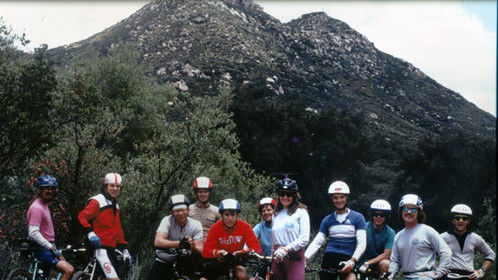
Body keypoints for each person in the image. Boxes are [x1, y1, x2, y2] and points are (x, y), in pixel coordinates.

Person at [305, 180, 366, 280]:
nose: (339, 200)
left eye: (342, 197)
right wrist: (305, 258)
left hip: (349, 256)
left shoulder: (357, 217)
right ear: (332, 199)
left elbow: (362, 243)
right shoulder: (327, 219)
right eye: (335, 198)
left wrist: (353, 260)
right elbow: (317, 242)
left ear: (346, 197)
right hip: (330, 257)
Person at [78, 173, 132, 280]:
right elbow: (82, 216)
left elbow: (117, 228)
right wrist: (90, 232)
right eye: (112, 185)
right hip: (98, 248)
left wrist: (124, 248)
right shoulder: (97, 201)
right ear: (105, 186)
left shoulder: (115, 205)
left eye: (118, 186)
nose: (115, 189)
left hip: (111, 249)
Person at [388, 194, 452, 280]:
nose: (409, 212)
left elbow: (446, 252)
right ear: (401, 211)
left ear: (419, 212)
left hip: (425, 277)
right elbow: (395, 261)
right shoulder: (398, 236)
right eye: (406, 208)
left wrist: (439, 273)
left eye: (413, 209)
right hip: (406, 277)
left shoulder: (427, 231)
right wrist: (390, 275)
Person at [27, 175, 74, 280]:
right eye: (46, 188)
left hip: (47, 247)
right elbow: (33, 232)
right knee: (69, 270)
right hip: (42, 249)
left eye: (52, 189)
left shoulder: (44, 205)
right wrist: (50, 247)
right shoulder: (37, 208)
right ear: (40, 190)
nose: (50, 191)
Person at [202, 198, 262, 280]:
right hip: (219, 262)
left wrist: (244, 252)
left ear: (237, 215)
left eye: (233, 215)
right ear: (221, 215)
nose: (230, 218)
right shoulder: (215, 228)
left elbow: (258, 249)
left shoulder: (244, 226)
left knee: (242, 274)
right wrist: (217, 252)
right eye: (226, 215)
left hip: (236, 261)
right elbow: (205, 251)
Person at [148, 194, 203, 280]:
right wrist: (180, 243)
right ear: (172, 212)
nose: (180, 213)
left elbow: (199, 248)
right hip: (164, 260)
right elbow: (158, 241)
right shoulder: (167, 220)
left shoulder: (196, 225)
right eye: (176, 211)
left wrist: (191, 245)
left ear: (188, 210)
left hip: (184, 264)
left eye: (183, 210)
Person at [440, 204, 495, 280]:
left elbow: (490, 254)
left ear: (468, 221)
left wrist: (482, 271)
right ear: (453, 220)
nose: (461, 221)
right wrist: (438, 268)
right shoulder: (443, 237)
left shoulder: (475, 238)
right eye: (457, 218)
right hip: (449, 276)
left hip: (470, 277)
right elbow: (428, 252)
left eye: (464, 219)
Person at [272, 178, 310, 280]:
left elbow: (304, 238)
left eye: (289, 194)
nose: (285, 197)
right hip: (277, 256)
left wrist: (286, 249)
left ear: (294, 196)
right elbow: (274, 239)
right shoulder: (275, 213)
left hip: (294, 256)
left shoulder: (301, 212)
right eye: (282, 194)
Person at [357, 199, 395, 276]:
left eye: (382, 215)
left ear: (386, 217)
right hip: (360, 261)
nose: (378, 217)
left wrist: (368, 263)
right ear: (372, 215)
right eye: (375, 214)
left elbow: (387, 254)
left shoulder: (390, 232)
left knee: (386, 263)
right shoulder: (364, 227)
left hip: (377, 262)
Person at [189, 176, 221, 241]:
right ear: (196, 193)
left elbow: (221, 231)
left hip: (210, 245)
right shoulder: (189, 210)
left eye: (205, 192)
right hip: (192, 245)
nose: (203, 194)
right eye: (200, 192)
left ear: (209, 193)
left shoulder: (216, 211)